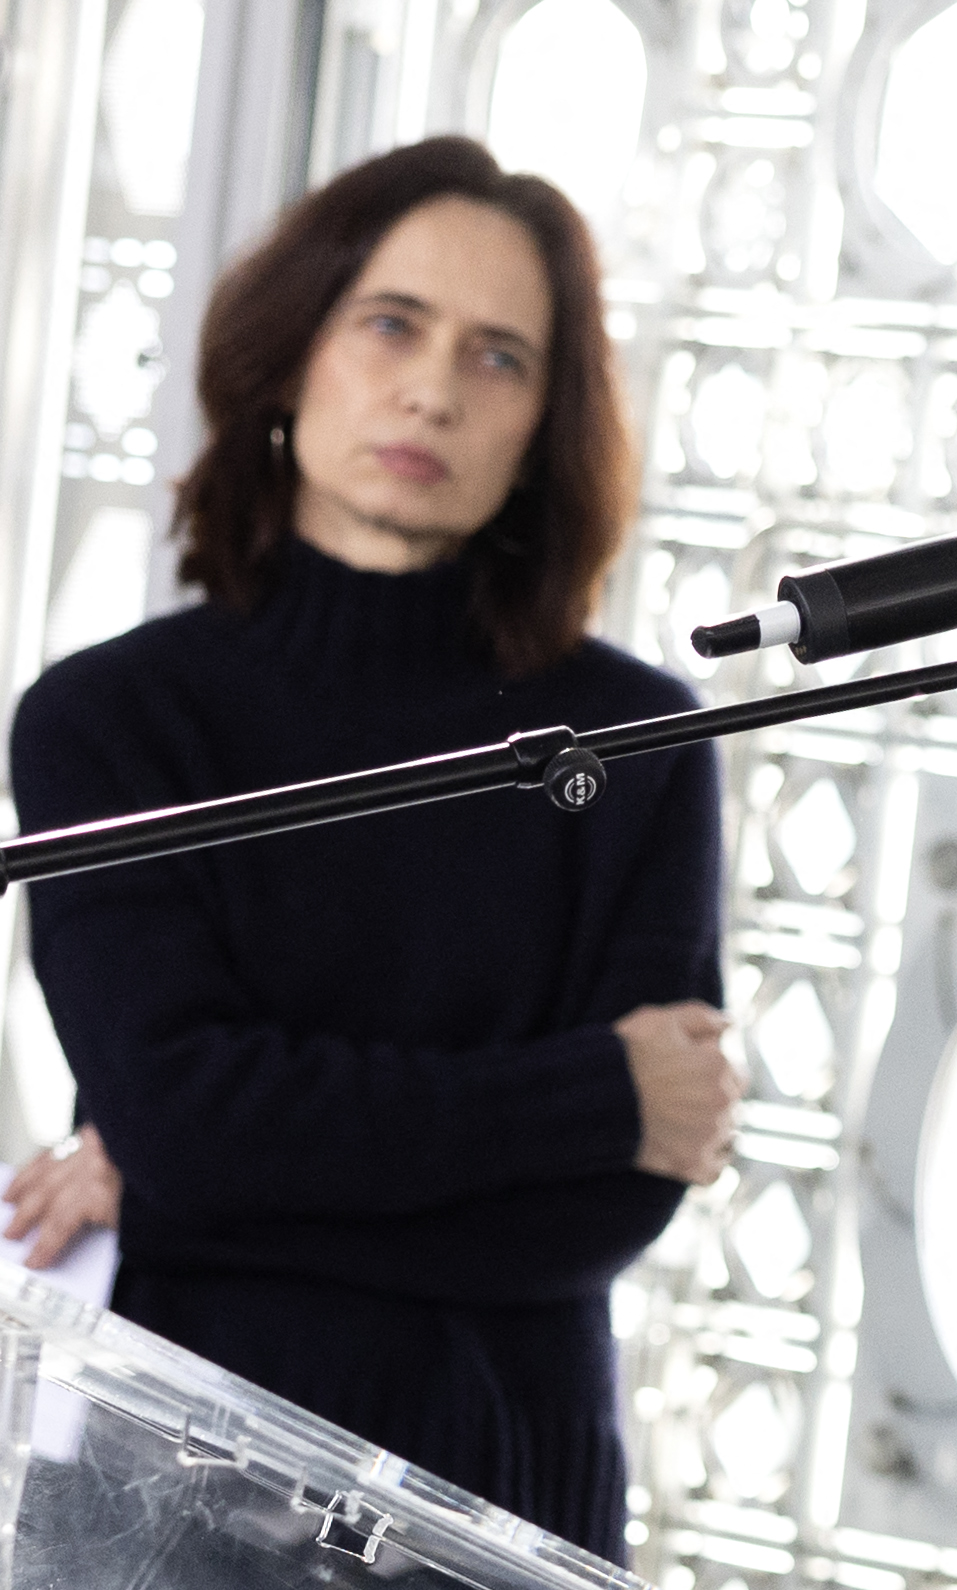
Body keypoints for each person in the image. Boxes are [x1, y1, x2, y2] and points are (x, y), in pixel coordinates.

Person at [4, 136, 742, 1563]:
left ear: (543, 425)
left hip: (505, 1492)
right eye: (392, 324)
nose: (432, 387)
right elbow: (183, 1123)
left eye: (499, 356)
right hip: (178, 1492)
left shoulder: (635, 739)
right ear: (293, 352)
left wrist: (193, 1179)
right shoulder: (109, 725)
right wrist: (593, 1088)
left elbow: (605, 1207)